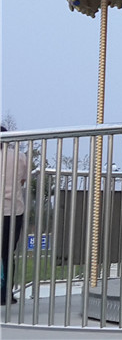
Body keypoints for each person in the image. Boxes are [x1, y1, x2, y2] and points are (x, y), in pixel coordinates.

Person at [1, 126, 29, 305]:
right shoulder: (19, 156)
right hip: (12, 210)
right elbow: (23, 180)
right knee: (6, 253)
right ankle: (5, 293)